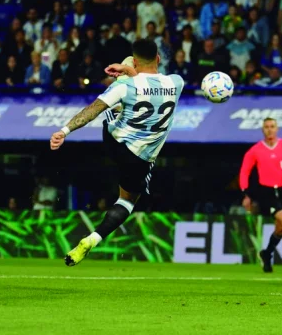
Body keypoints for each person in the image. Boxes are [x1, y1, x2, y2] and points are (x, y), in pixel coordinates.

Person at [50, 39, 184, 266]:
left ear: (134, 60)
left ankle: (90, 240)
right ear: (158, 59)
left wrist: (64, 131)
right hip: (142, 158)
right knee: (127, 202)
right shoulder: (176, 83)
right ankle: (93, 239)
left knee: (112, 110)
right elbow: (150, 83)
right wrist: (129, 71)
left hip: (115, 143)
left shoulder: (123, 86)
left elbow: (92, 110)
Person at [239, 118, 282, 275]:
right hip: (267, 193)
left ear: (277, 129)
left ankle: (266, 253)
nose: (269, 130)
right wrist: (246, 194)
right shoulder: (255, 150)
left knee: (281, 229)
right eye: (266, 127)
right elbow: (244, 172)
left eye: (272, 127)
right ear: (262, 130)